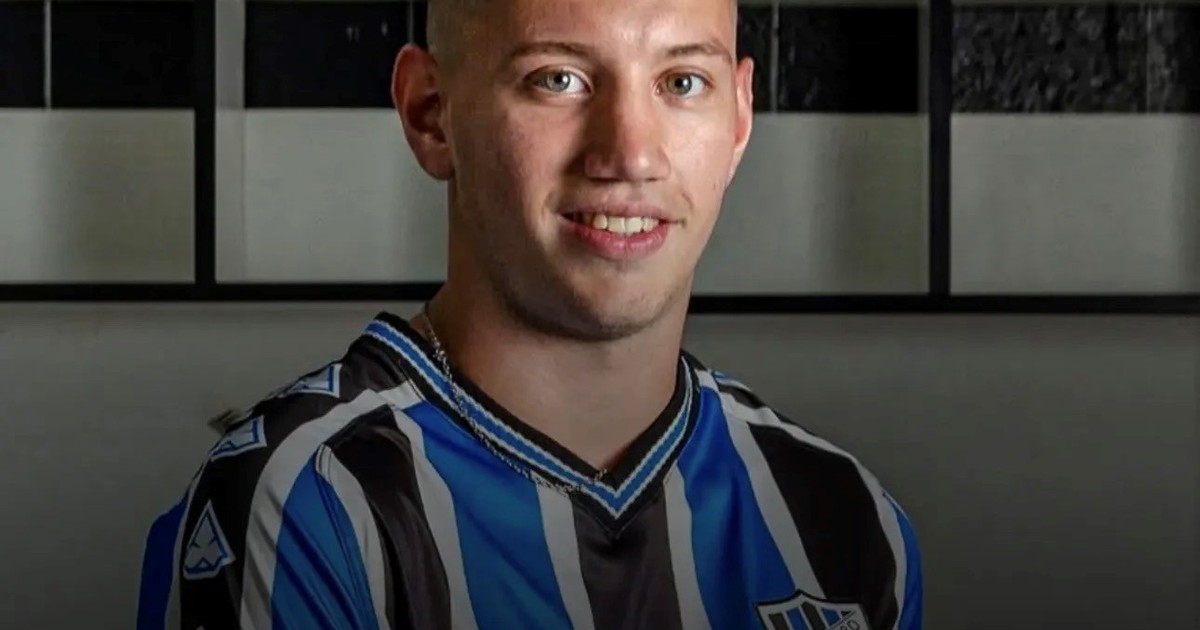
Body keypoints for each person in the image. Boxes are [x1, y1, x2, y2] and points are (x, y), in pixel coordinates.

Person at [136, 0, 923, 627]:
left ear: (739, 120)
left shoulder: (848, 521)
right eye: (559, 79)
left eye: (683, 83)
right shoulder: (306, 500)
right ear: (431, 113)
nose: (630, 155)